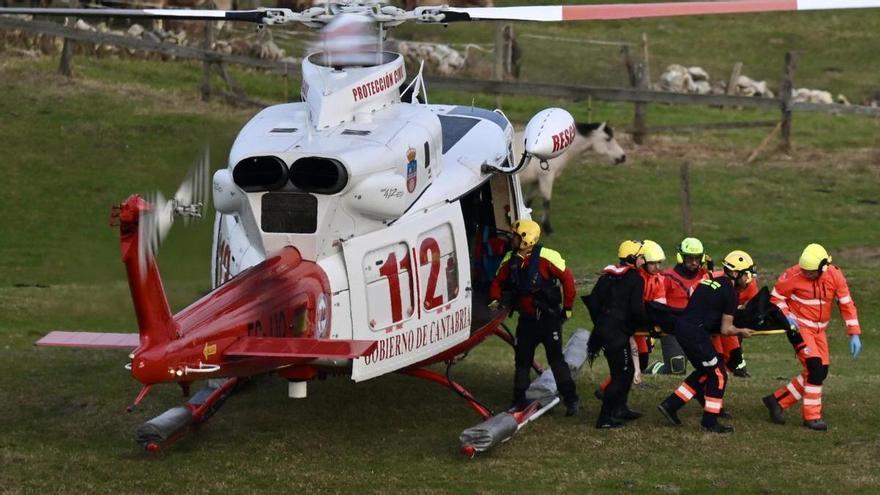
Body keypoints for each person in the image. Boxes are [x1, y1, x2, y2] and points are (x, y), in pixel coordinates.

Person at [762, 244, 862, 431]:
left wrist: (854, 333)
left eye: (810, 272)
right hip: (799, 328)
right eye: (804, 271)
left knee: (820, 371)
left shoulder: (835, 276)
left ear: (823, 267)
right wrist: (787, 315)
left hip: (819, 331)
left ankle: (776, 401)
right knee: (815, 368)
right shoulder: (793, 275)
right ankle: (812, 417)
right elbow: (776, 298)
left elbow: (846, 304)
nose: (806, 274)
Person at [657, 250, 756, 433]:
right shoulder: (730, 293)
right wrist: (742, 330)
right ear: (735, 273)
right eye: (747, 274)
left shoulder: (709, 282)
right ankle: (710, 422)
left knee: (705, 371)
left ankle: (671, 405)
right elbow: (726, 330)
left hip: (684, 329)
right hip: (695, 335)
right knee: (719, 375)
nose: (748, 279)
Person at [488, 219, 579, 416]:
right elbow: (497, 281)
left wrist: (568, 308)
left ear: (526, 239)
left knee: (556, 361)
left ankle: (571, 399)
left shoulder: (548, 257)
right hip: (527, 321)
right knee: (522, 361)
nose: (511, 239)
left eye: (515, 236)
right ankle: (518, 400)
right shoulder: (509, 260)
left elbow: (568, 279)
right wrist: (495, 299)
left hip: (548, 320)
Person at [584, 240, 650, 428]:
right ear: (633, 258)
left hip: (603, 331)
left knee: (624, 372)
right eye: (641, 256)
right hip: (616, 333)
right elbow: (637, 310)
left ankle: (619, 408)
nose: (643, 260)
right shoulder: (636, 279)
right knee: (621, 374)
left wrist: (602, 322)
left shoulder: (607, 277)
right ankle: (604, 419)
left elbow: (593, 303)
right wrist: (644, 325)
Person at [656, 237, 712, 375]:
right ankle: (656, 368)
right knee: (676, 368)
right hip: (673, 328)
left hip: (697, 327)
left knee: (708, 367)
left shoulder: (706, 276)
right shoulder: (666, 277)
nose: (694, 262)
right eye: (689, 258)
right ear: (681, 257)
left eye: (697, 258)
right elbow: (657, 305)